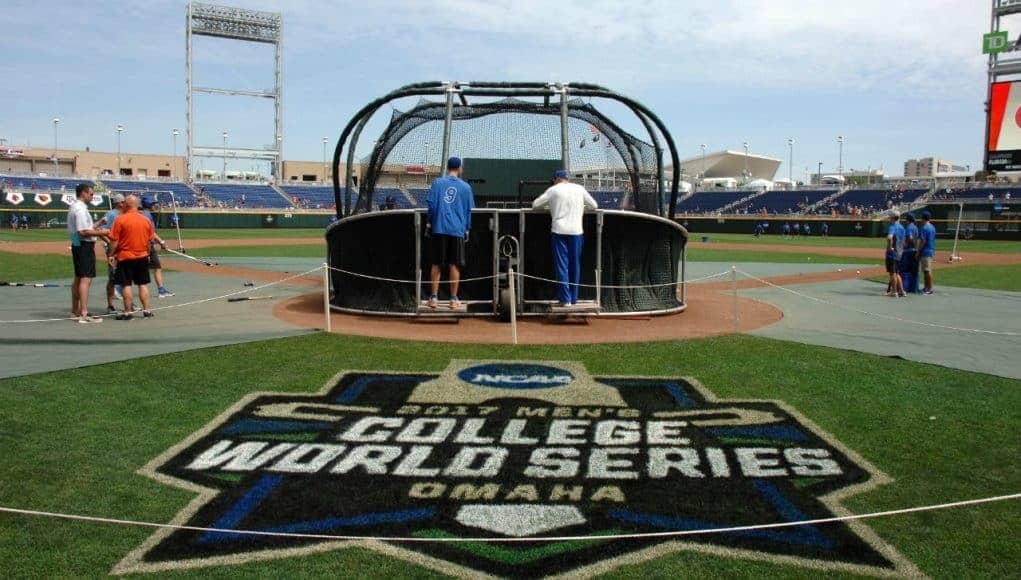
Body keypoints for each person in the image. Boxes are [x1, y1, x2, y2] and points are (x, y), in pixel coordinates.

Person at [531, 169, 599, 307]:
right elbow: (594, 205)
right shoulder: (579, 188)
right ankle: (573, 298)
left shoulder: (553, 190)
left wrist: (550, 207)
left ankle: (565, 299)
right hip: (576, 231)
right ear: (567, 178)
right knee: (575, 265)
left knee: (562, 266)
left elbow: (535, 205)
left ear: (556, 178)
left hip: (559, 231)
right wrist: (581, 209)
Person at [426, 156, 475, 309]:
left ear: (447, 167)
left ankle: (433, 298)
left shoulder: (437, 183)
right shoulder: (466, 187)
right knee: (454, 265)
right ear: (459, 169)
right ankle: (453, 299)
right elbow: (469, 211)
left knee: (436, 264)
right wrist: (467, 228)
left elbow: (432, 206)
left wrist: (429, 223)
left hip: (439, 228)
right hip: (457, 230)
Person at [107, 195, 156, 319]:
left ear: (127, 205)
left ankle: (128, 312)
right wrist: (148, 254)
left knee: (126, 284)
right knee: (143, 284)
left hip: (125, 256)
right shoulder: (145, 220)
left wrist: (111, 254)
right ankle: (146, 310)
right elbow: (150, 241)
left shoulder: (120, 220)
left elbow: (114, 241)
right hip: (142, 256)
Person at [67, 183, 109, 323]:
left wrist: (98, 224)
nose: (92, 196)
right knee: (85, 278)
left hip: (79, 244)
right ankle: (83, 313)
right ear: (83, 193)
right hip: (84, 246)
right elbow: (83, 232)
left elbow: (85, 229)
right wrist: (103, 232)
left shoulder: (76, 207)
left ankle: (76, 310)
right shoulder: (80, 209)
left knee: (79, 277)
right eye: (91, 194)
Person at [140, 197, 174, 297]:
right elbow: (151, 233)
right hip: (146, 246)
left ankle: (161, 290)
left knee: (157, 267)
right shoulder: (146, 215)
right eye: (153, 204)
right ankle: (120, 287)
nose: (155, 205)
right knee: (140, 269)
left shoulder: (146, 214)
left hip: (149, 245)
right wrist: (162, 242)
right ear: (149, 205)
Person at [102, 194, 127, 313]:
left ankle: (128, 303)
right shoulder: (111, 214)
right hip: (113, 250)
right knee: (113, 278)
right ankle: (110, 305)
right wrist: (110, 243)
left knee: (125, 276)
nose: (125, 204)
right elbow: (101, 231)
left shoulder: (125, 215)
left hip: (124, 250)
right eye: (124, 202)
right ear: (119, 203)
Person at [884, 210, 906, 297]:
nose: (889, 218)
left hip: (892, 254)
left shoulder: (892, 226)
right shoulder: (902, 227)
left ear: (892, 217)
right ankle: (901, 291)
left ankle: (894, 291)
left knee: (892, 273)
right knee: (897, 273)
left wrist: (890, 247)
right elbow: (904, 242)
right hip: (899, 253)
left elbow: (889, 237)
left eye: (890, 217)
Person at [917, 210, 937, 295]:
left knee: (927, 271)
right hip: (931, 250)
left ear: (923, 218)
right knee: (926, 271)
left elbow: (923, 241)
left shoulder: (924, 228)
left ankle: (929, 289)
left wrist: (918, 251)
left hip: (926, 251)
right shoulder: (932, 227)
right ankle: (926, 288)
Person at [900, 212, 919, 294]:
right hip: (914, 250)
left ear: (907, 219)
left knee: (905, 271)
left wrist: (906, 245)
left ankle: (905, 288)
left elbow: (910, 238)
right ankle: (913, 288)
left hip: (908, 251)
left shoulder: (909, 227)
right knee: (914, 271)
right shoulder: (915, 227)